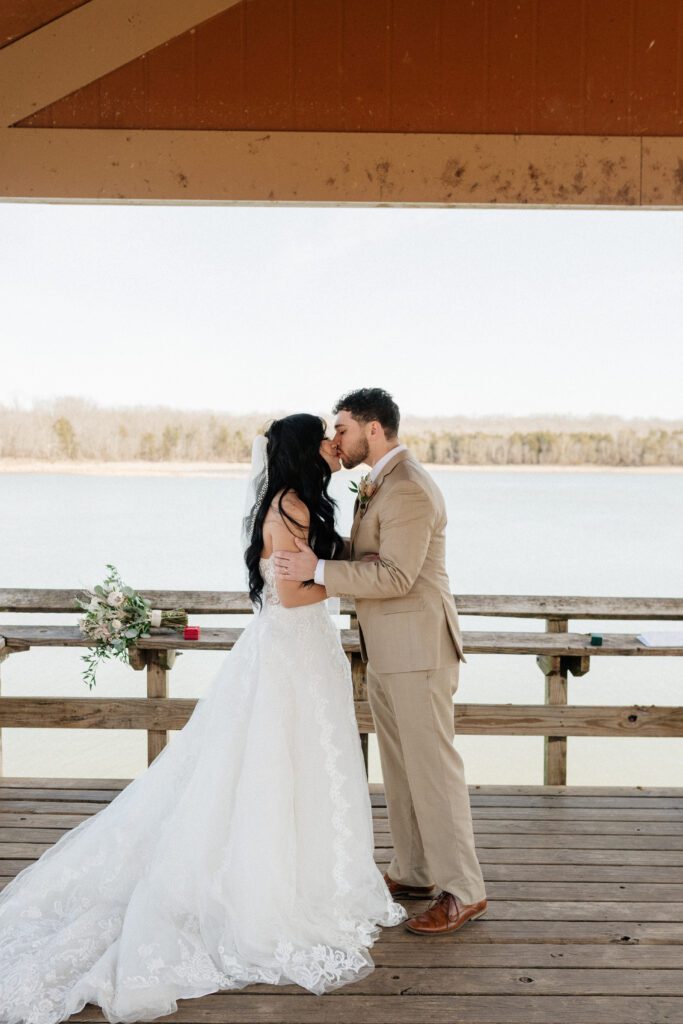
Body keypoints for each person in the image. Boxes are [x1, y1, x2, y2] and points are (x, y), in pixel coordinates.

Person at [0, 413, 406, 1024]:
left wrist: (333, 569)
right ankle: (270, 889)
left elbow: (307, 578)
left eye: (335, 432)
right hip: (290, 652)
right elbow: (291, 593)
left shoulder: (301, 502)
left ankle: (310, 870)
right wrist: (345, 582)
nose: (332, 441)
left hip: (302, 650)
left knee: (302, 762)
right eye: (323, 435)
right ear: (303, 449)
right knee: (275, 763)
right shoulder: (287, 509)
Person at [274, 389, 488, 935]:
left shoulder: (409, 487)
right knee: (400, 767)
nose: (335, 438)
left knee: (433, 771)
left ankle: (464, 890)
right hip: (389, 649)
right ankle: (414, 870)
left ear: (373, 429)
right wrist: (336, 556)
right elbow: (374, 557)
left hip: (419, 650)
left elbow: (395, 575)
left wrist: (318, 570)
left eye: (342, 428)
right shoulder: (379, 483)